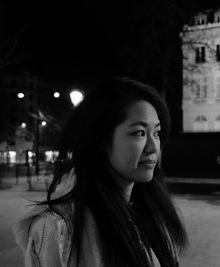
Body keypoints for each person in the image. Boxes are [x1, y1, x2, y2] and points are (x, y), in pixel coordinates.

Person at [13, 77, 188, 267]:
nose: (153, 147)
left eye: (157, 133)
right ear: (100, 140)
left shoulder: (151, 212)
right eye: (139, 133)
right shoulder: (57, 228)